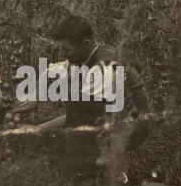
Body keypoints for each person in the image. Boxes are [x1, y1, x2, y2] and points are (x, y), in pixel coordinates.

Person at [14, 15, 149, 147]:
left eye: (66, 49)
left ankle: (86, 162)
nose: (62, 53)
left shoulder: (104, 66)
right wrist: (35, 96)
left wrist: (36, 130)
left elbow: (79, 114)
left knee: (72, 108)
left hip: (132, 128)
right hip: (110, 117)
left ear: (85, 43)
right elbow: (53, 70)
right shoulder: (84, 56)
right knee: (54, 132)